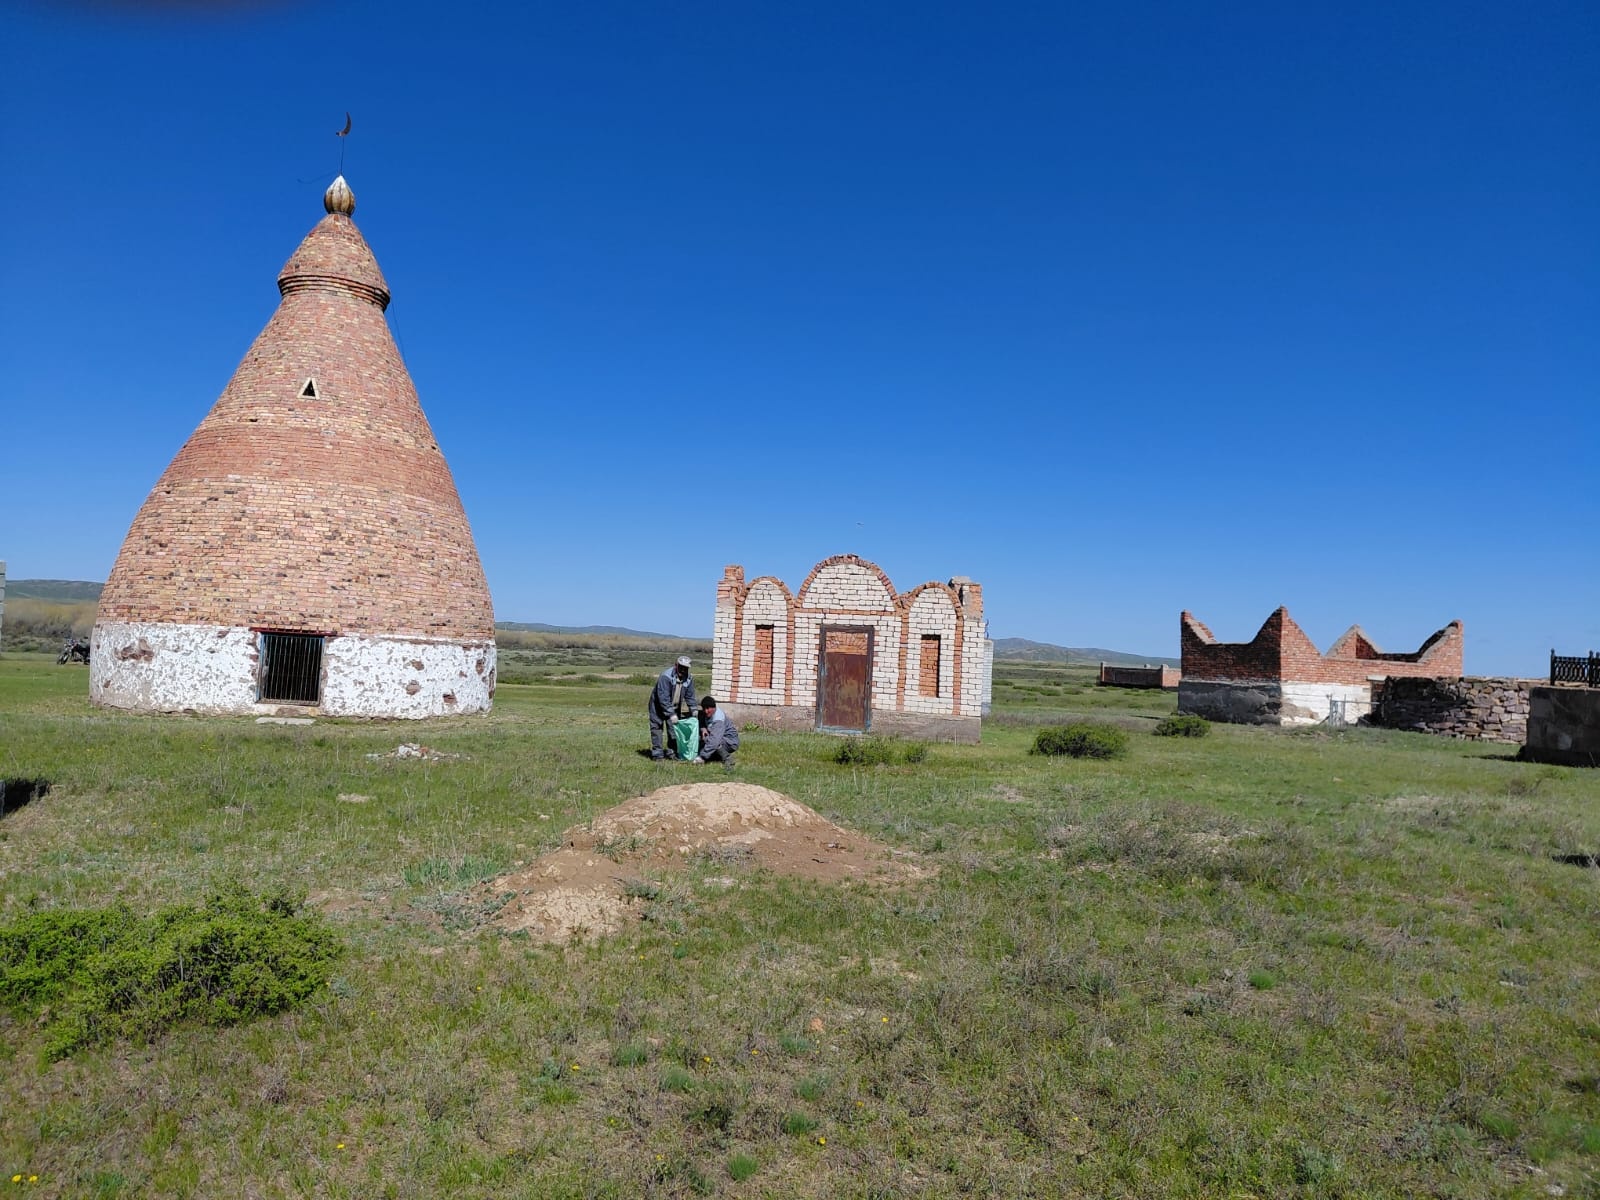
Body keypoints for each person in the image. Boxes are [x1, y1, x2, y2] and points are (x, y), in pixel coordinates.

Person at [648, 655, 697, 760]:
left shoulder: (689, 678)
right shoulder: (666, 676)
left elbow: (690, 696)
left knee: (674, 730)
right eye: (681, 667)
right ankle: (658, 755)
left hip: (674, 706)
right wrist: (671, 714)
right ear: (676, 665)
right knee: (657, 729)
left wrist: (694, 710)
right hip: (657, 706)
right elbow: (663, 698)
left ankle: (672, 753)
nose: (683, 670)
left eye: (685, 668)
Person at [692, 696, 740, 767]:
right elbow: (701, 720)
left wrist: (702, 757)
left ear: (714, 707)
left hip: (730, 742)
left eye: (708, 708)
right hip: (721, 738)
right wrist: (703, 728)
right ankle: (715, 757)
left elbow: (714, 741)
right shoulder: (706, 713)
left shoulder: (718, 720)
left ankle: (727, 758)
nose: (706, 711)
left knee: (709, 740)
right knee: (704, 739)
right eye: (704, 708)